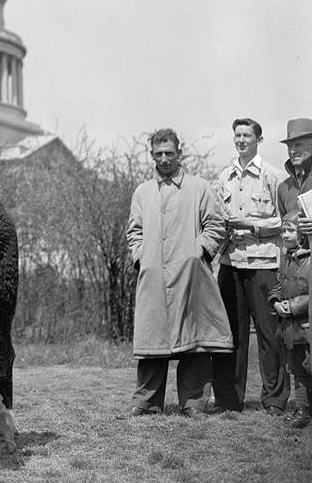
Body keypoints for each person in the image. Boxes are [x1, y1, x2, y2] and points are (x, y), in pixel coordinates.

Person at [127, 128, 232, 419]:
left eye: (169, 153)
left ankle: (194, 402)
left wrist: (197, 253)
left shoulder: (199, 187)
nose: (164, 159)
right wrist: (142, 259)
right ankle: (145, 401)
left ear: (179, 153)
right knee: (152, 340)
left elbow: (215, 226)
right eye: (158, 154)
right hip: (154, 276)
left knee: (194, 340)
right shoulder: (143, 192)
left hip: (191, 275)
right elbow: (134, 232)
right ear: (152, 155)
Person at [211, 118, 288, 414]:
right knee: (231, 334)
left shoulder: (272, 175)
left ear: (259, 139)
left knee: (270, 334)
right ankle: (229, 400)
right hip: (231, 262)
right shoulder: (224, 176)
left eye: (247, 135)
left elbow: (285, 222)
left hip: (264, 263)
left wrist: (252, 225)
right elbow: (217, 219)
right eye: (237, 135)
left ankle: (275, 400)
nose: (241, 140)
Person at [267, 212, 311, 429]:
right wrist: (276, 302)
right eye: (283, 230)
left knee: (309, 365)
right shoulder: (285, 256)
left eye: (291, 230)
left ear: (302, 232)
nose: (285, 235)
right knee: (297, 368)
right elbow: (278, 285)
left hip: (306, 324)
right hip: (290, 326)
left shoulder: (309, 258)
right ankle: (302, 410)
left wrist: (293, 306)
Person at [277, 118, 312, 240]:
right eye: (289, 146)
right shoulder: (284, 188)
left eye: (298, 145)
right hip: (294, 258)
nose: (292, 151)